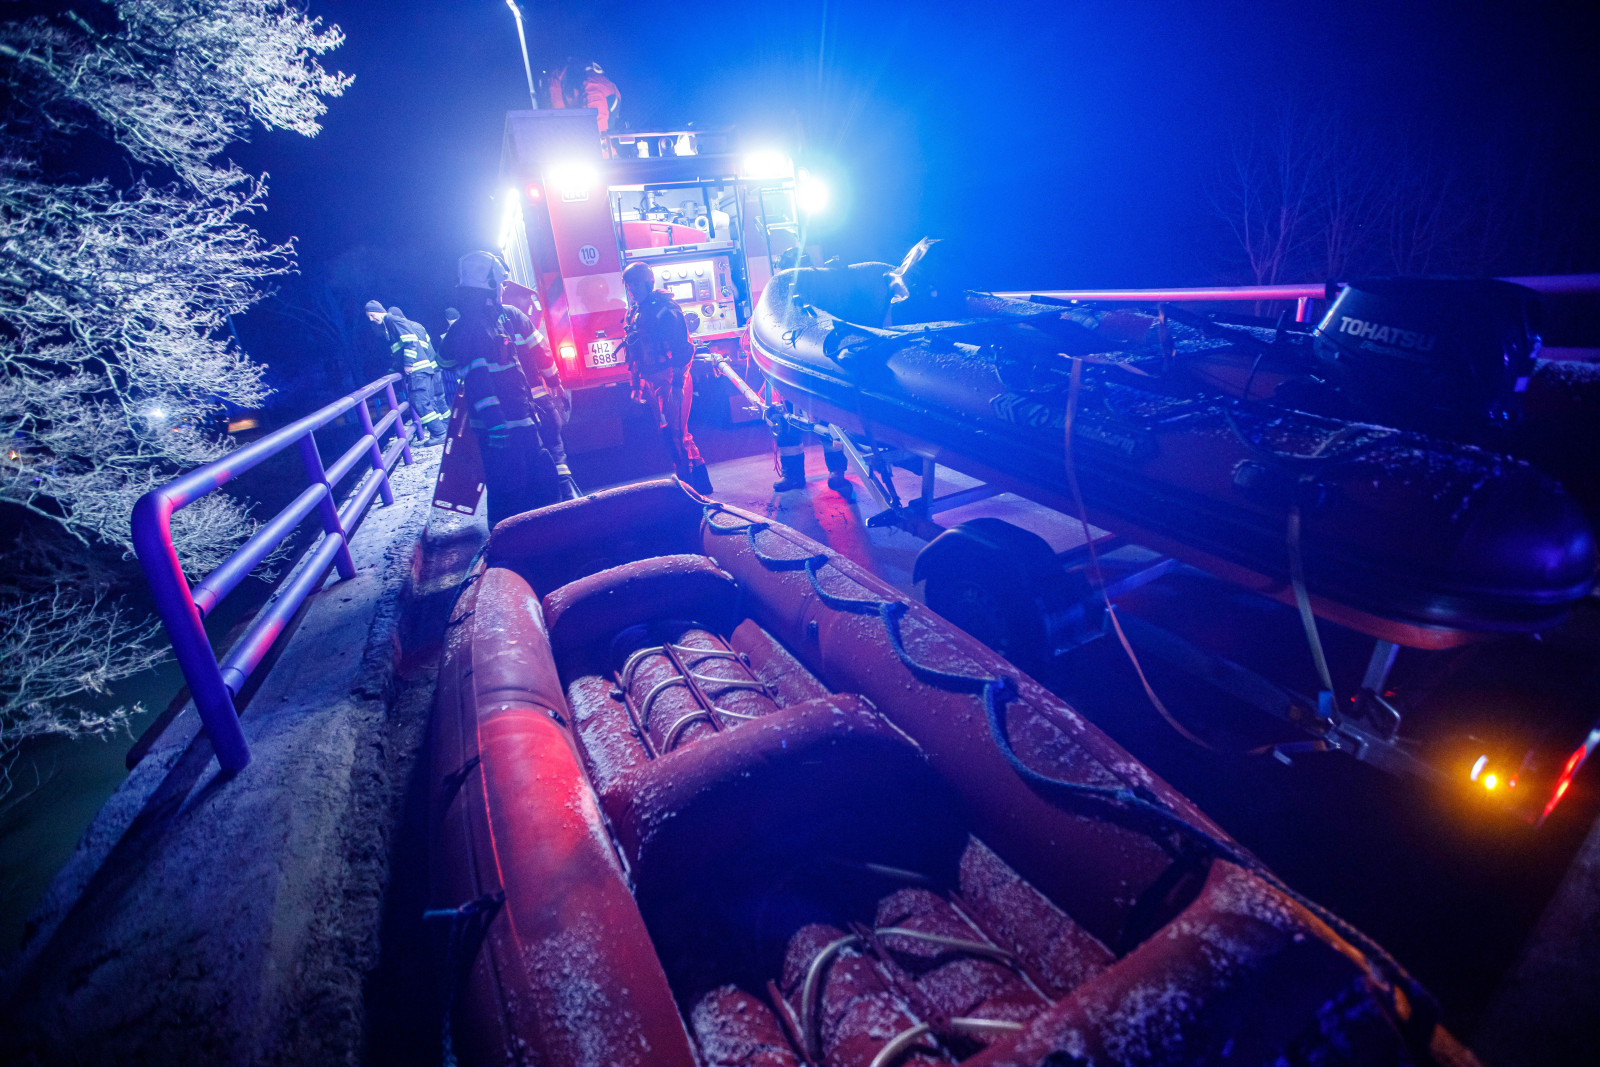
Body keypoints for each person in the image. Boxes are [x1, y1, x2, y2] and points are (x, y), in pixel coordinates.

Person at [437, 252, 577, 524]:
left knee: (506, 483)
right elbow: (541, 355)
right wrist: (555, 383)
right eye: (500, 284)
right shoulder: (509, 317)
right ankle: (549, 524)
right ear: (489, 285)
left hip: (492, 426)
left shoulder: (463, 327)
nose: (502, 289)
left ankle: (509, 534)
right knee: (535, 472)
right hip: (517, 417)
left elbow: (445, 361)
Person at [620, 261, 713, 493]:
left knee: (675, 434)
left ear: (648, 283)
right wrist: (637, 386)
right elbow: (635, 353)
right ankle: (700, 479)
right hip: (652, 381)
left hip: (670, 379)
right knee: (672, 432)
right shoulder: (634, 313)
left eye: (636, 285)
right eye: (629, 286)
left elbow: (685, 349)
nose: (632, 290)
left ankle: (686, 487)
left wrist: (678, 385)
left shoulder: (666, 310)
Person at [365, 300, 448, 444]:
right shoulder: (391, 324)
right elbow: (400, 352)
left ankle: (439, 433)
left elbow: (410, 341)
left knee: (419, 401)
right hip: (424, 369)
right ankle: (441, 430)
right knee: (427, 400)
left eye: (372, 315)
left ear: (379, 311)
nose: (371, 319)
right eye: (369, 317)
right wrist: (393, 370)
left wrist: (408, 364)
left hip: (417, 370)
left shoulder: (392, 321)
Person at [546, 58, 620, 137]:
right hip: (591, 135)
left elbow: (596, 124)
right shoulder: (598, 81)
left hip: (591, 136)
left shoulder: (593, 84)